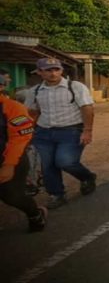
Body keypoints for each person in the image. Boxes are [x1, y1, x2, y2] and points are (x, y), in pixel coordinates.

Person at [25, 58, 97, 210]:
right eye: (48, 70)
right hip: (43, 132)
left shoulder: (75, 87)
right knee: (47, 165)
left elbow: (87, 108)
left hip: (70, 131)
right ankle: (57, 194)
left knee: (65, 162)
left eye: (56, 69)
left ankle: (87, 177)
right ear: (39, 72)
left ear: (61, 70)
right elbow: (32, 112)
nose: (53, 73)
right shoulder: (35, 91)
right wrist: (28, 134)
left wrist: (87, 131)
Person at [1, 75, 47, 232]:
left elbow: (20, 138)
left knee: (12, 196)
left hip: (10, 159)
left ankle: (35, 214)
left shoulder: (13, 108)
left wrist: (8, 165)